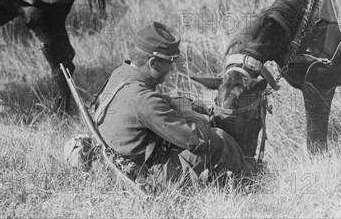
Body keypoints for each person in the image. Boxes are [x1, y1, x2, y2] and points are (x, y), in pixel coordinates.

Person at [92, 21, 248, 192]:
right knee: (217, 138)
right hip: (143, 178)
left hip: (120, 163)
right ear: (152, 63)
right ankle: (246, 185)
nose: (172, 68)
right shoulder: (144, 101)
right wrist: (190, 112)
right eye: (170, 62)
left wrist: (176, 102)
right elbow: (197, 139)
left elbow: (149, 101)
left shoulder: (120, 74)